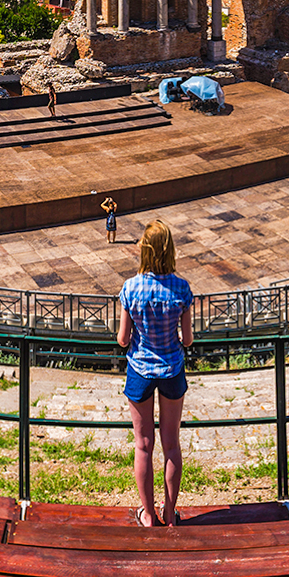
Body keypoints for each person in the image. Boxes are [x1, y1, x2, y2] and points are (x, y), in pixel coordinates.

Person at [117, 220, 192, 528]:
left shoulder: (130, 288)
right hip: (172, 368)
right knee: (171, 444)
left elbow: (122, 339)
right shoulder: (181, 288)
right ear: (170, 249)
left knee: (143, 444)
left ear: (143, 252)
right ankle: (170, 513)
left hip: (140, 370)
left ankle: (148, 515)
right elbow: (187, 340)